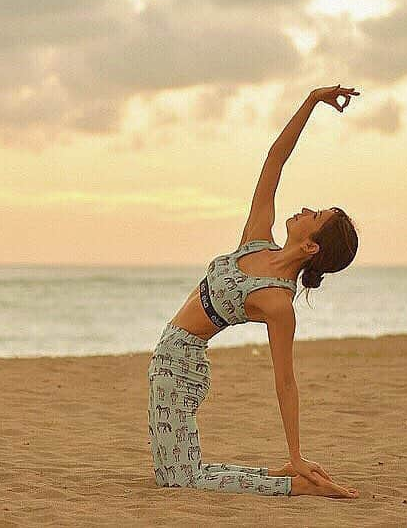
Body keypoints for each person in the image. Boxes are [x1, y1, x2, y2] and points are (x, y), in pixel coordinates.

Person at [147, 84, 361, 498]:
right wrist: (312, 101)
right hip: (171, 358)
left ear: (312, 245)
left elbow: (285, 381)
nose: (303, 210)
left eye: (314, 215)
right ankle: (287, 478)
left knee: (178, 479)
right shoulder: (256, 239)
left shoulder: (278, 302)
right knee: (178, 475)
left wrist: (297, 452)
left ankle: (294, 483)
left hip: (180, 366)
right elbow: (275, 160)